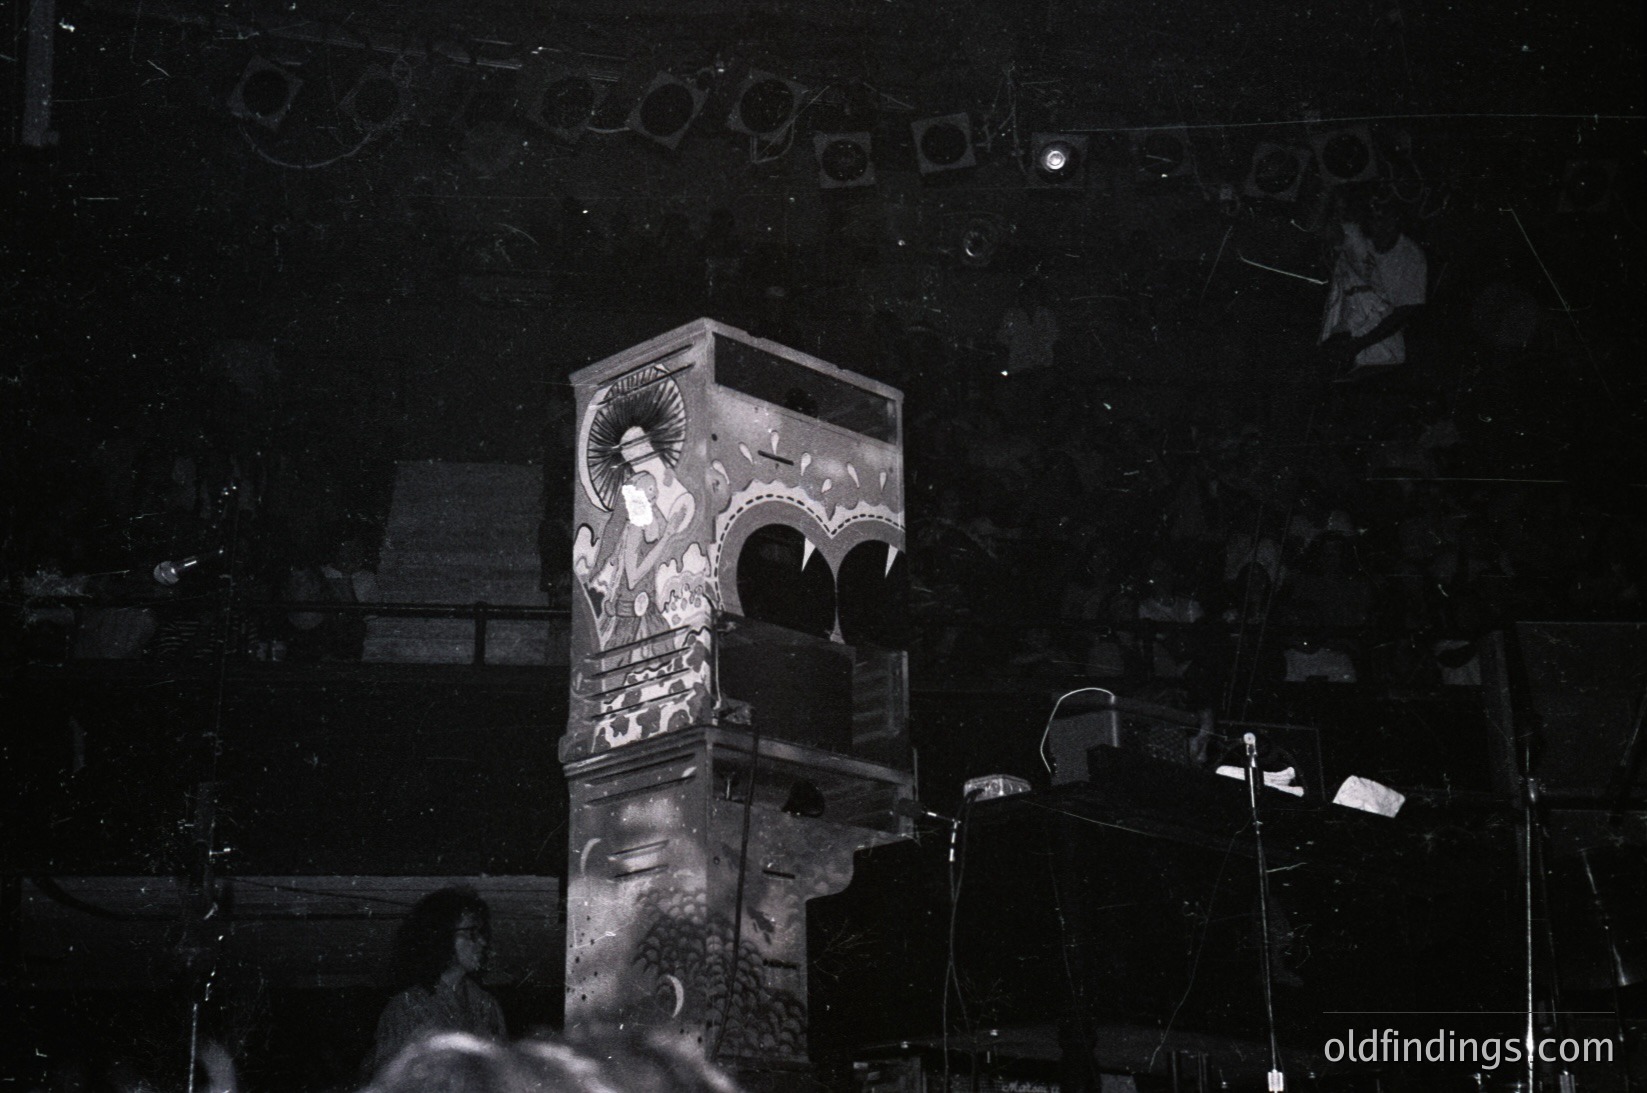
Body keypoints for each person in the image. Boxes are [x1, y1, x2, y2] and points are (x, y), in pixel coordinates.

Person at [367, 887, 507, 1080]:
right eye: (472, 932)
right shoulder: (405, 1008)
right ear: (441, 936)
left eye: (482, 932)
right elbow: (389, 1081)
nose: (482, 942)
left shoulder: (487, 1005)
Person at [1318, 197, 1426, 381]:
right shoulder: (1355, 235)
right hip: (1343, 317)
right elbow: (1328, 229)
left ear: (1397, 222)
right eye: (1374, 216)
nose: (1378, 222)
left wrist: (1361, 343)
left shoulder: (1410, 258)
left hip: (1377, 335)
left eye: (1385, 217)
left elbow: (1405, 310)